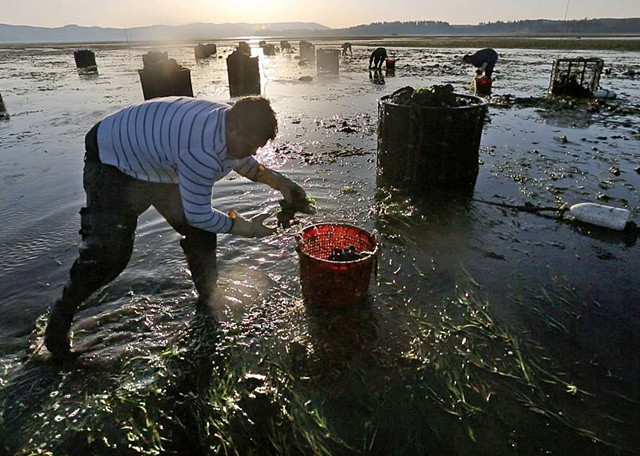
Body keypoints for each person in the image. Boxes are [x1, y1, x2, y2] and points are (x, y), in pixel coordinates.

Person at [44, 96, 311, 359]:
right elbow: (198, 215)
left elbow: (242, 160)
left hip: (160, 157)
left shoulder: (231, 124)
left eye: (258, 147)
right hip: (113, 159)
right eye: (250, 145)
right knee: (109, 255)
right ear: (232, 128)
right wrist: (247, 229)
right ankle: (59, 321)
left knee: (201, 235)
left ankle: (208, 298)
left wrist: (282, 184)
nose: (253, 152)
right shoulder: (202, 150)